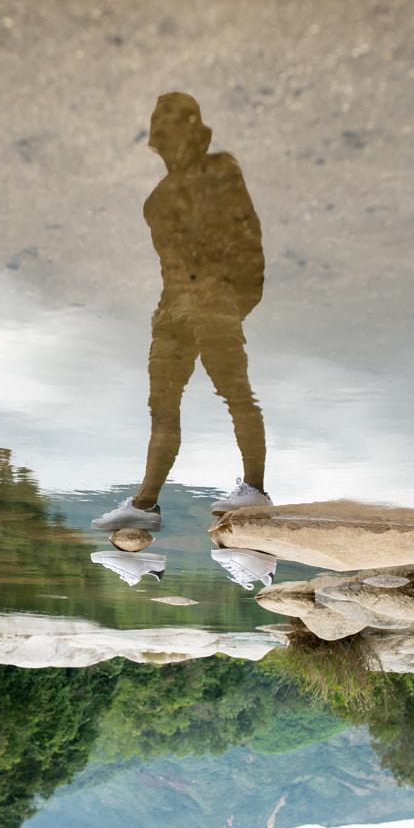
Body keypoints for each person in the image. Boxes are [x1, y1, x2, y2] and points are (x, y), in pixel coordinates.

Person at [92, 92, 271, 539]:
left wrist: (233, 298)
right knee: (162, 410)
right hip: (171, 310)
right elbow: (170, 263)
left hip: (213, 301)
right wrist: (170, 310)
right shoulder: (155, 200)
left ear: (197, 134)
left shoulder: (221, 169)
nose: (170, 142)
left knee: (235, 392)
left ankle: (255, 489)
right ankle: (144, 504)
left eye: (178, 130)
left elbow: (250, 238)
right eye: (164, 133)